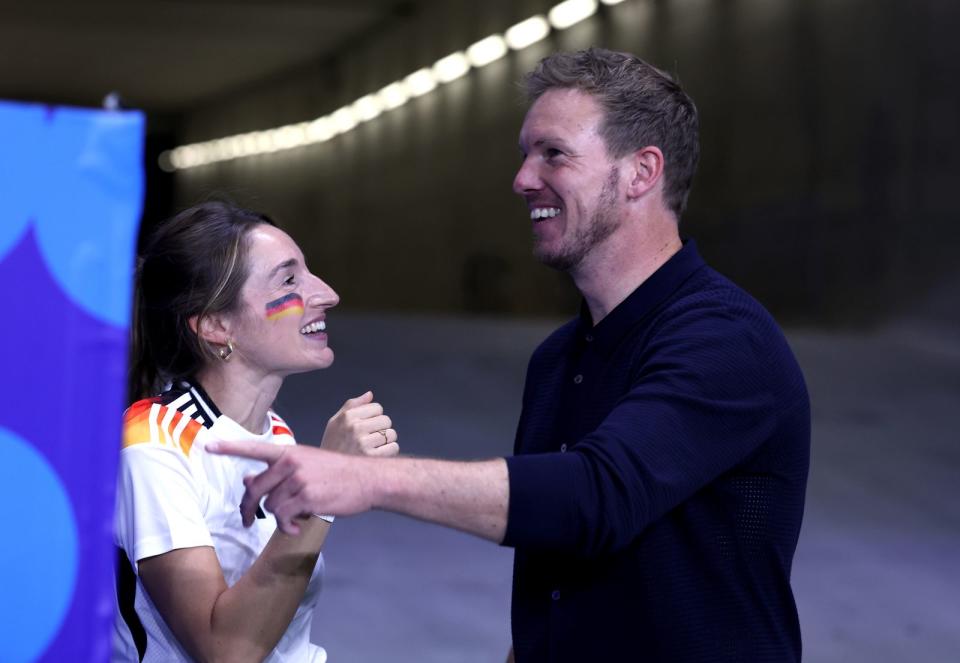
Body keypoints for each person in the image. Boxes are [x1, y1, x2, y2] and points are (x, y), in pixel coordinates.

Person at [210, 48, 810, 662]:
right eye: (526, 153)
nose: (523, 179)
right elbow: (559, 571)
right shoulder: (558, 361)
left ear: (641, 172)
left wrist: (367, 479)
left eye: (554, 153)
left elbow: (597, 497)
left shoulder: (725, 338)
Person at [113, 201, 399, 663]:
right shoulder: (152, 446)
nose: (326, 294)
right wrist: (319, 493)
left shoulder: (274, 433)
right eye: (289, 280)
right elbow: (225, 650)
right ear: (215, 326)